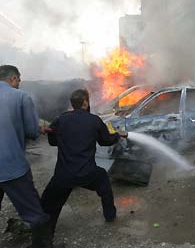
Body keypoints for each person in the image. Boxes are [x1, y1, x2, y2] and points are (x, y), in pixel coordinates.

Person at [41, 89, 127, 238]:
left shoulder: (61, 119)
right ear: (85, 102)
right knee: (104, 183)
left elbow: (52, 141)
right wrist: (118, 135)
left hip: (64, 175)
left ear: (72, 104)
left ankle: (44, 239)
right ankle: (110, 215)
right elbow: (106, 141)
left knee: (48, 206)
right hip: (88, 173)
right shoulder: (94, 120)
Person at [0, 65, 52, 248]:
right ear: (13, 78)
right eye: (19, 79)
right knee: (35, 214)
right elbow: (31, 130)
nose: (20, 83)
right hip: (10, 166)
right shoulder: (21, 96)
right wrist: (40, 129)